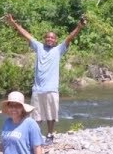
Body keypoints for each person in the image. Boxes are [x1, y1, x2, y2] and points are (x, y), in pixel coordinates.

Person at [6, 14, 87, 145]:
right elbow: (25, 34)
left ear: (56, 40)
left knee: (51, 115)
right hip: (37, 89)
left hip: (51, 89)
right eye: (48, 37)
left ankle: (50, 134)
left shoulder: (59, 50)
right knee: (36, 116)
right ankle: (36, 136)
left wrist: (79, 26)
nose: (50, 39)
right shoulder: (38, 47)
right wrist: (13, 23)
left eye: (52, 37)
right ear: (44, 39)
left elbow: (70, 37)